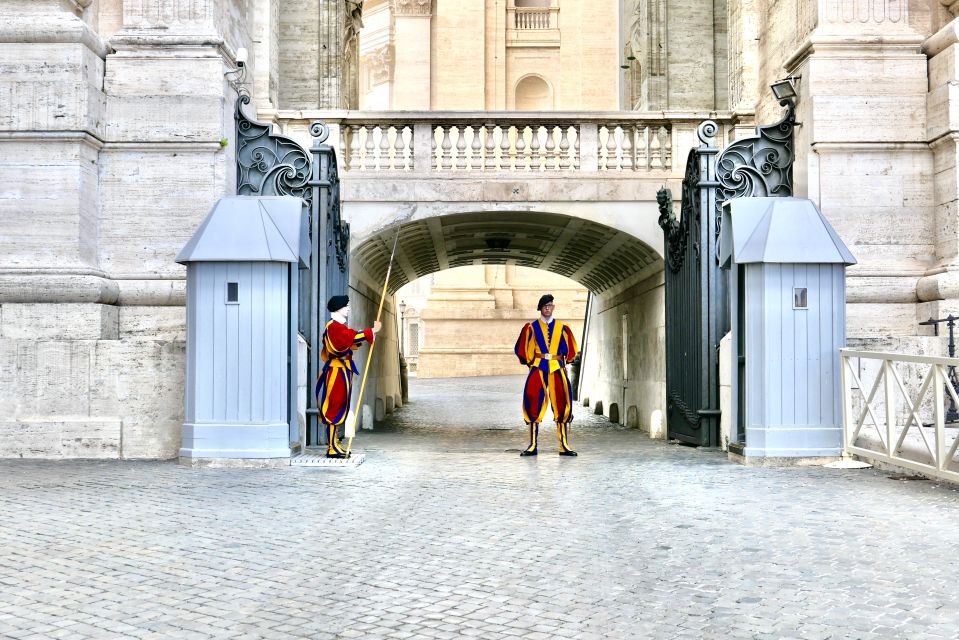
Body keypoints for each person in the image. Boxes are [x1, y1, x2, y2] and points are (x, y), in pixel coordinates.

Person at [513, 294, 579, 457]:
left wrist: (564, 361)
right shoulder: (532, 328)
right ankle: (532, 444)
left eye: (550, 305)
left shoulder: (562, 328)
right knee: (533, 400)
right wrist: (532, 362)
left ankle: (564, 444)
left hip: (557, 368)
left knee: (562, 403)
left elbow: (570, 352)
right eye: (545, 306)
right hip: (538, 367)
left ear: (553, 307)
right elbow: (524, 350)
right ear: (541, 309)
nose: (547, 308)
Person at [316, 294, 381, 458]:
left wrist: (368, 334)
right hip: (336, 371)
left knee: (340, 406)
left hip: (342, 371)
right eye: (346, 306)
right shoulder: (334, 327)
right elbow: (346, 339)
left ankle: (335, 443)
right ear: (338, 308)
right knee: (335, 406)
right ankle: (331, 447)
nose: (348, 308)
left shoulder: (339, 327)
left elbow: (350, 338)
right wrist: (370, 332)